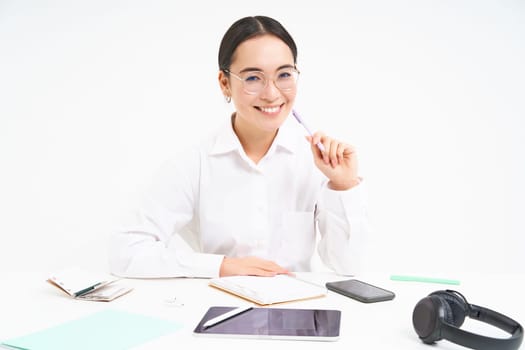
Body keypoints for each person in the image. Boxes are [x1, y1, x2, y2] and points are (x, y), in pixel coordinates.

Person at [109, 15, 368, 279]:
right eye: (253, 78)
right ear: (224, 83)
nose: (272, 93)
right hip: (220, 309)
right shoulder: (194, 164)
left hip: (296, 312)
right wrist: (221, 266)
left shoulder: (314, 162)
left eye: (284, 75)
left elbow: (348, 267)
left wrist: (343, 186)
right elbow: (125, 253)